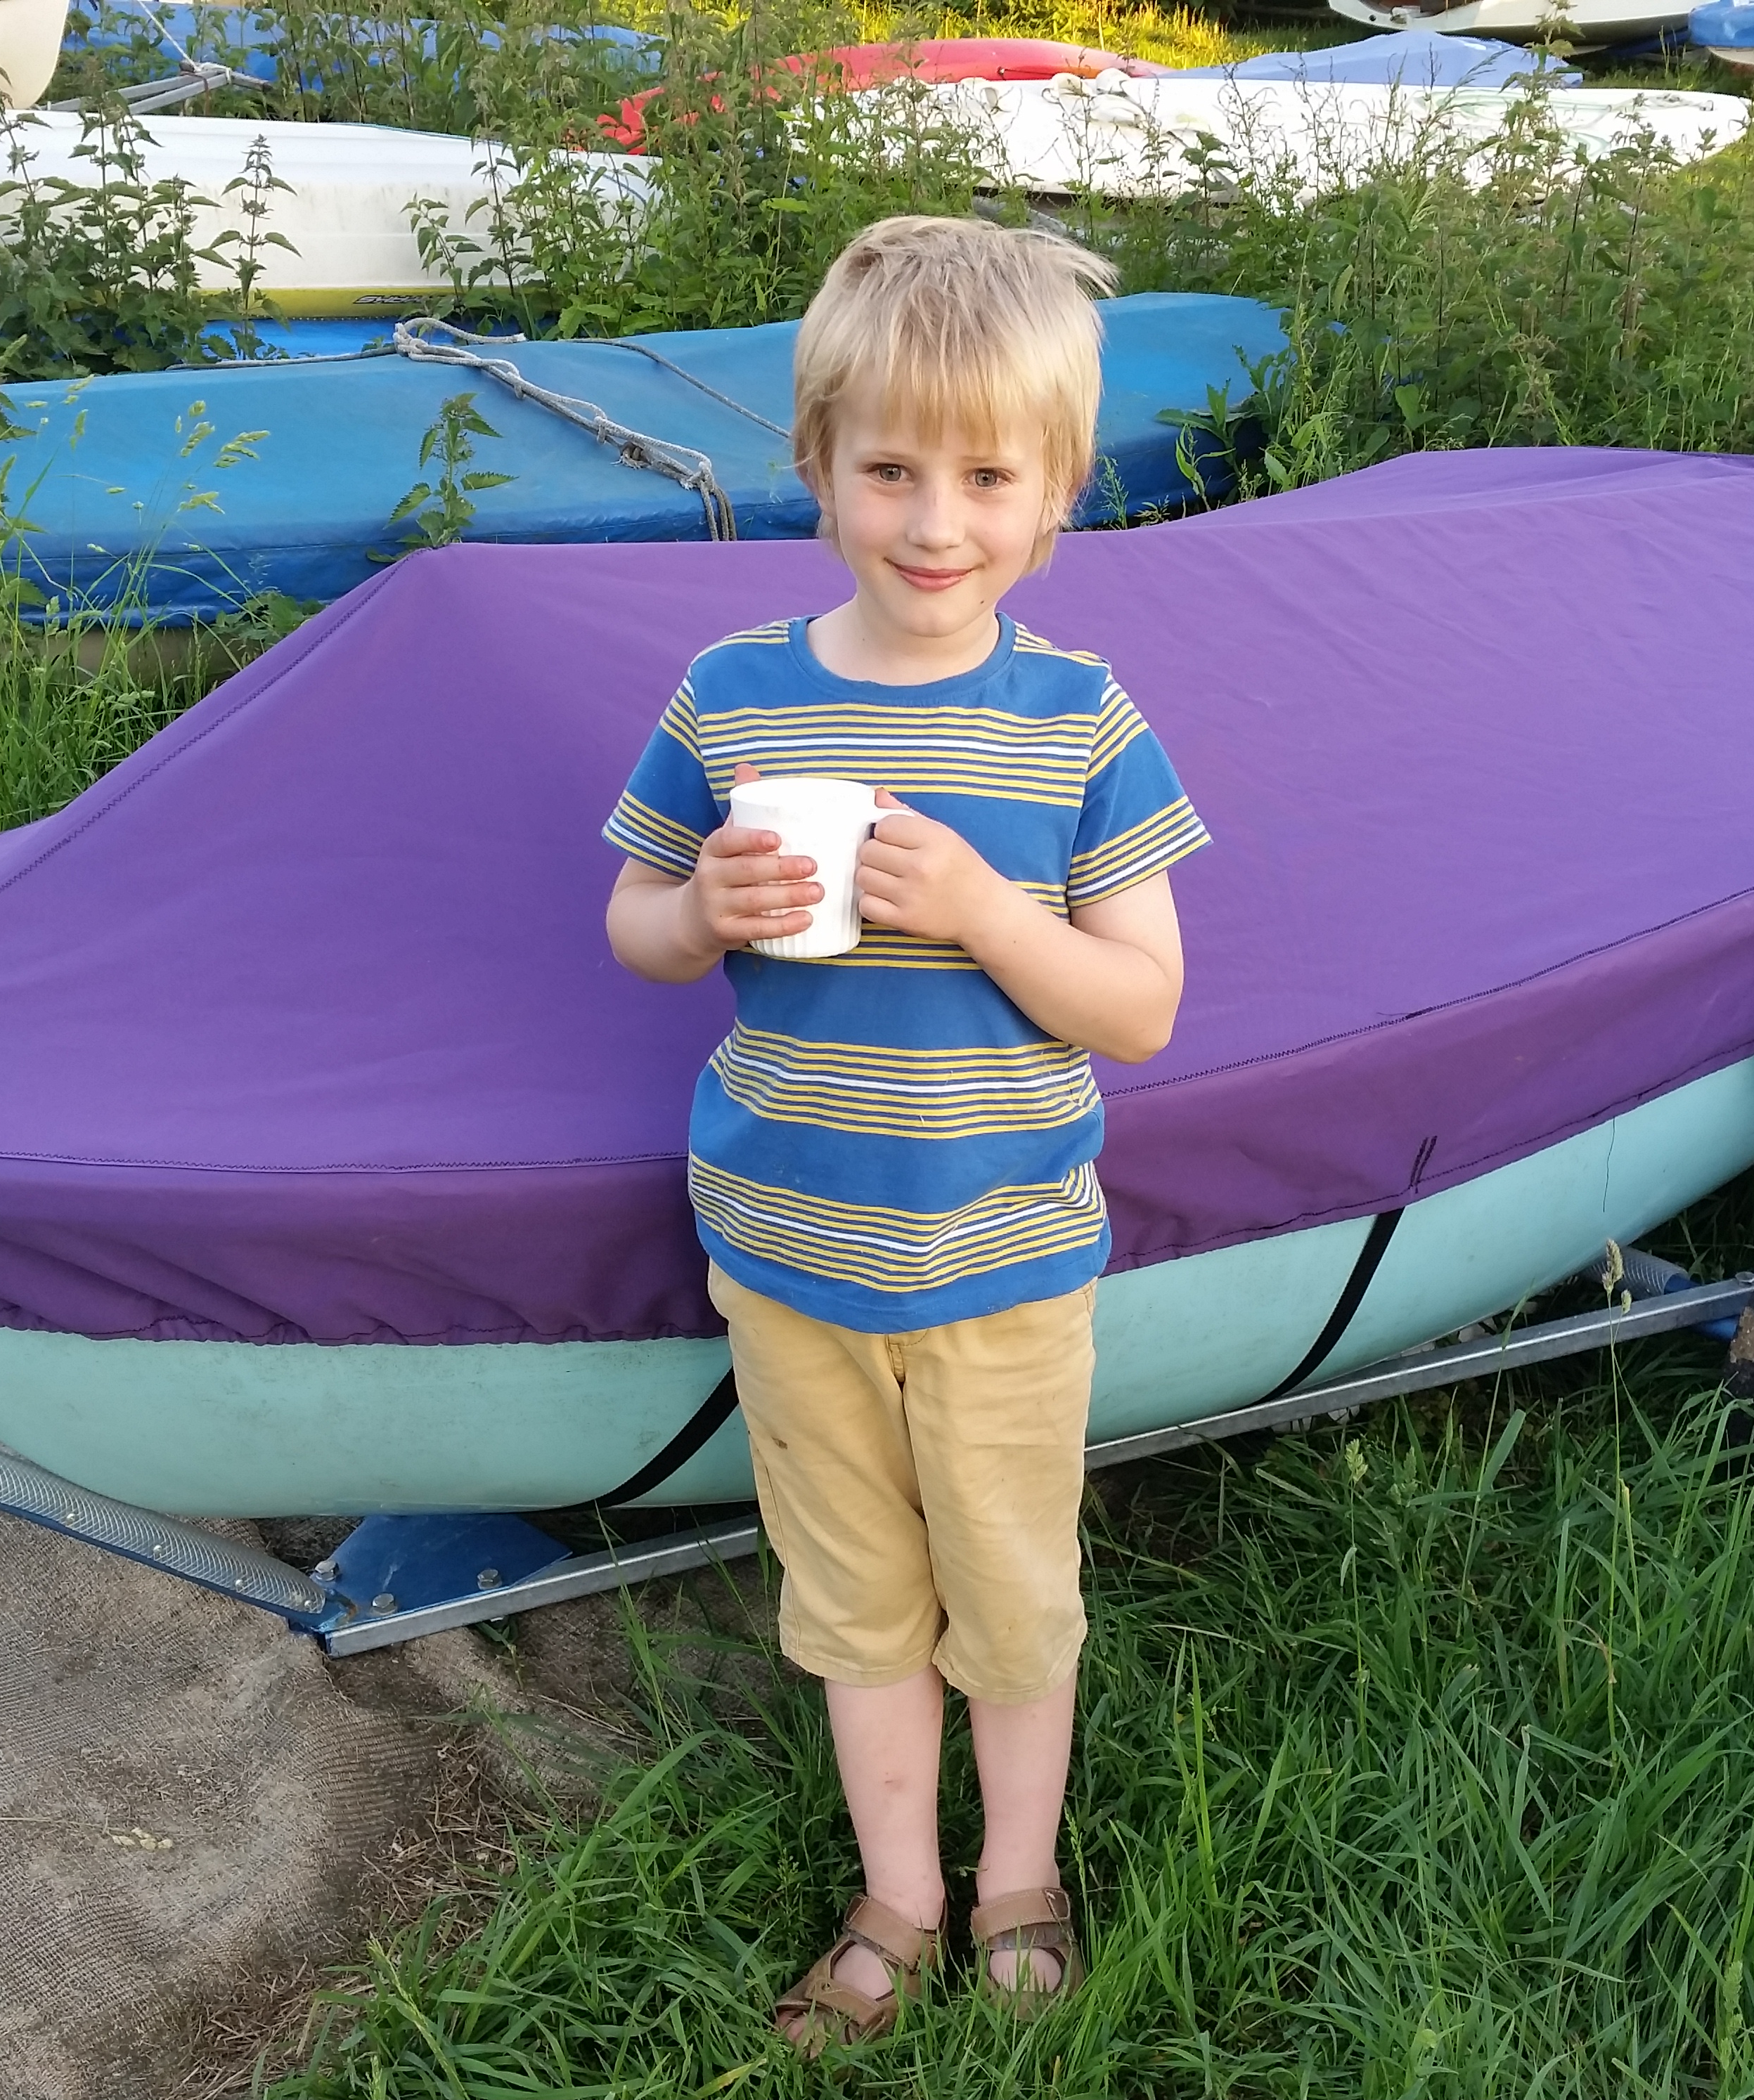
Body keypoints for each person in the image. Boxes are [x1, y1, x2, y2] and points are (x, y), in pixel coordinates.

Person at [600, 214, 1208, 2052]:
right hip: (789, 1253)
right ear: (817, 466)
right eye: (888, 469)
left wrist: (985, 910)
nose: (934, 520)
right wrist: (699, 907)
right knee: (856, 1601)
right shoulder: (733, 696)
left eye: (984, 476)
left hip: (1003, 1263)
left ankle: (1019, 1872)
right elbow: (632, 929)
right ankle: (903, 1896)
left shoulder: (1079, 721)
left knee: (1013, 1604)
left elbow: (1143, 1004)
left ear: (1056, 500)